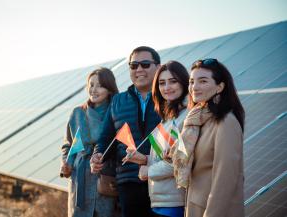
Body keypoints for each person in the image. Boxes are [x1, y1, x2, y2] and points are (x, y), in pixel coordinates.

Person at [90, 46, 162, 217]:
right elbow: (106, 138)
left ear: (158, 67)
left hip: (163, 179)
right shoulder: (117, 101)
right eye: (133, 65)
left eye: (145, 64)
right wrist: (98, 154)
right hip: (128, 182)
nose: (139, 69)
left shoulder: (168, 96)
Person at [171, 58, 245, 217]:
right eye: (192, 81)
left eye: (203, 81)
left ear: (220, 87)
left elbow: (225, 179)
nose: (194, 87)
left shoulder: (226, 122)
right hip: (195, 206)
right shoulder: (197, 121)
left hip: (214, 210)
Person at [123, 60, 189, 217]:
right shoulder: (169, 117)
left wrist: (148, 171)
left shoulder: (186, 118)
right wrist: (144, 159)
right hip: (161, 200)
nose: (166, 88)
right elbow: (165, 157)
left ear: (184, 83)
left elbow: (180, 162)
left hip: (176, 201)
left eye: (173, 81)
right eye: (161, 83)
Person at [60, 67, 119, 217]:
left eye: (99, 85)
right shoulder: (77, 112)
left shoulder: (116, 112)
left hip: (105, 173)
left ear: (110, 88)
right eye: (91, 85)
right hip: (80, 175)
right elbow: (68, 144)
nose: (93, 89)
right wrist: (66, 162)